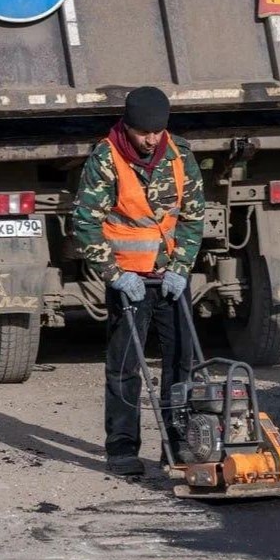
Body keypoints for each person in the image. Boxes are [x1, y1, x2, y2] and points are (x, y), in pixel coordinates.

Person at [73, 86, 205, 476]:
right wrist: (115, 275)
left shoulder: (180, 154)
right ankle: (122, 450)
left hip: (169, 278)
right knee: (126, 366)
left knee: (182, 361)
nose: (151, 140)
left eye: (157, 133)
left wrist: (181, 267)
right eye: (144, 133)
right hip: (129, 279)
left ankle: (178, 446)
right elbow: (84, 222)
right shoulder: (106, 158)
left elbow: (193, 216)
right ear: (127, 127)